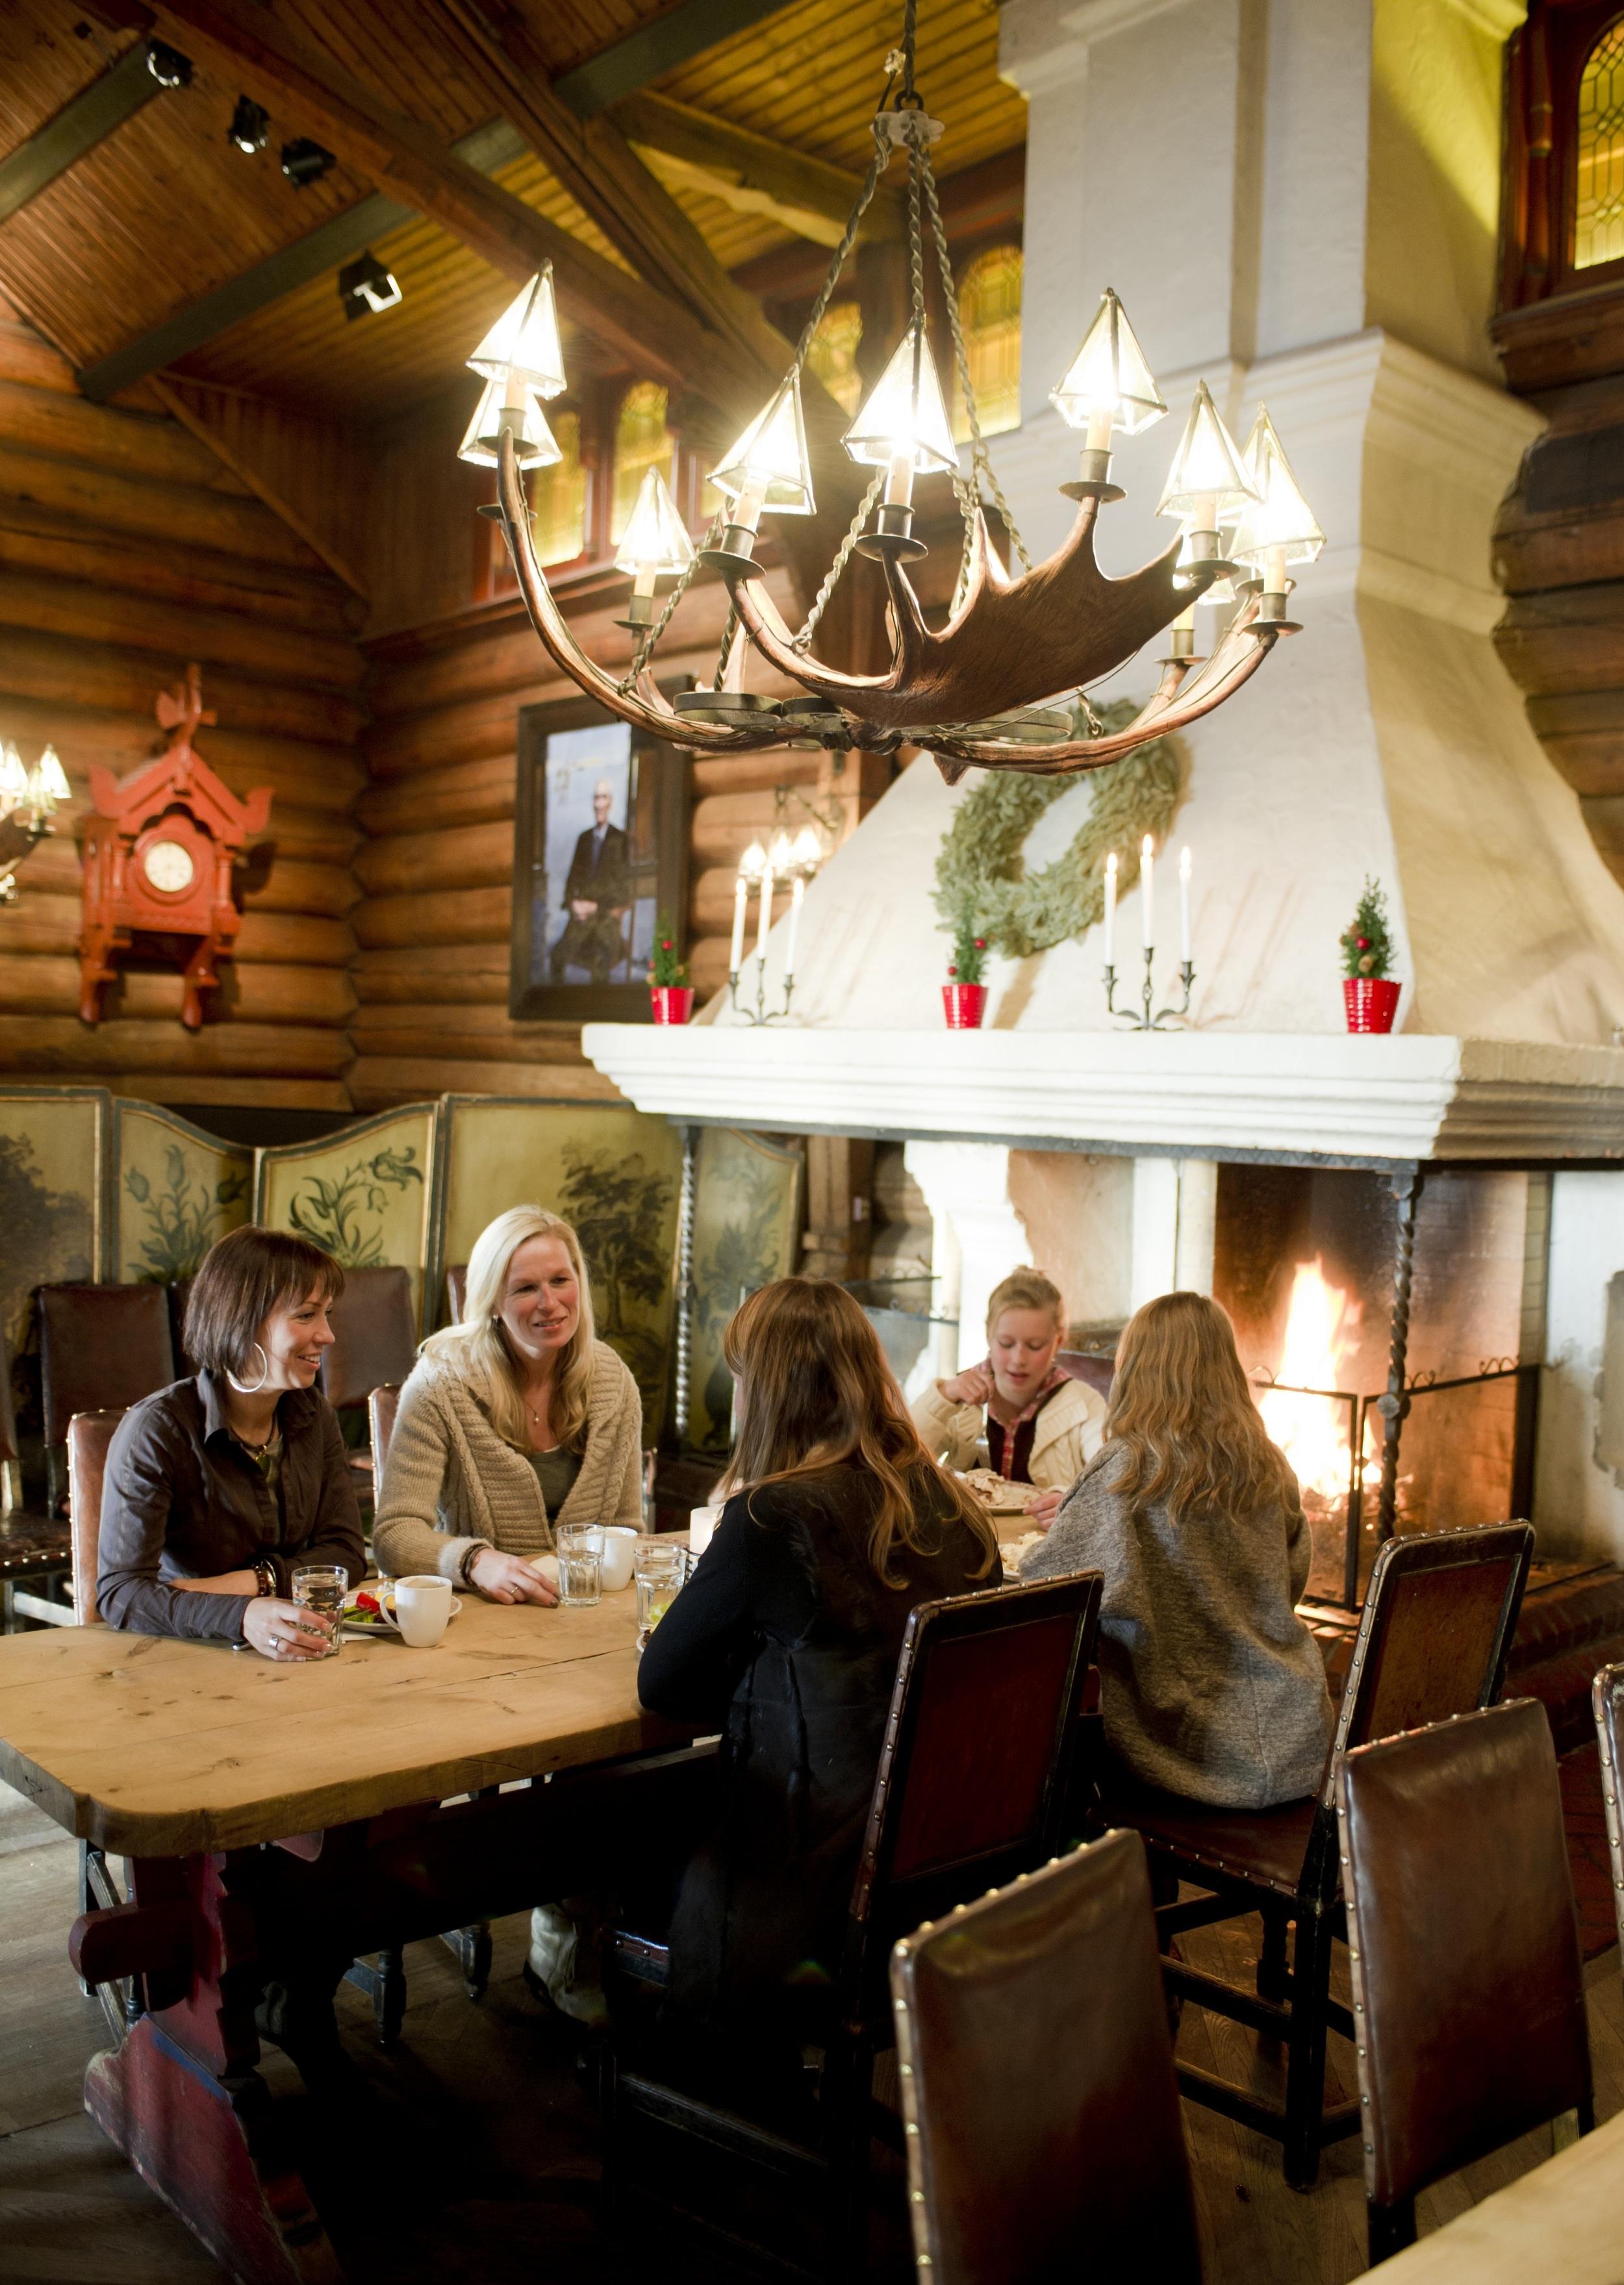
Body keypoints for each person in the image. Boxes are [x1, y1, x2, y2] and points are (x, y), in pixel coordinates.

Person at [637, 1277, 1001, 2099]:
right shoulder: (951, 1501)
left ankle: (691, 2078)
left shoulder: (775, 1515)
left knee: (618, 1823)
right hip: (951, 1872)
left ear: (766, 1394)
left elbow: (661, 1682)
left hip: (816, 1894)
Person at [372, 1203, 645, 2022]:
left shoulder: (612, 1380)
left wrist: (575, 1567)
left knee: (638, 1755)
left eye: (560, 1280)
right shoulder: (443, 1383)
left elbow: (628, 1522)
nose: (548, 1301)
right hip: (476, 1651)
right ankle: (568, 1946)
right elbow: (394, 1534)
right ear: (492, 1297)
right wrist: (472, 1558)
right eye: (524, 1286)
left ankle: (587, 1944)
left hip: (584, 1635)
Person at [1021, 1290, 1334, 1810]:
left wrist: (1080, 1514)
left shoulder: (1126, 1468)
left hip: (1187, 1753)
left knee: (1055, 1768)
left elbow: (1044, 1589)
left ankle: (1087, 1883)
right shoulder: (1269, 1462)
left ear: (1135, 1370)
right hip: (1300, 1741)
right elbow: (1293, 1577)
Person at [98, 1224, 364, 1659]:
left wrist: (255, 1584)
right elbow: (122, 1594)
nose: (328, 1335)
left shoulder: (314, 1415)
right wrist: (242, 1615)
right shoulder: (157, 1430)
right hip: (182, 1655)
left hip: (295, 1648)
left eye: (327, 1314)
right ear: (242, 1322)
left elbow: (347, 1554)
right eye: (306, 1315)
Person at [909, 1267, 1106, 1490]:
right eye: (1006, 1343)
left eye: (1035, 1346)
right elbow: (895, 1456)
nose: (1018, 1359)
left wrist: (1069, 1502)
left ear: (1059, 1341)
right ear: (988, 1335)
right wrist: (943, 1398)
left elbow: (1110, 1481)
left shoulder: (1085, 1405)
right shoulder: (957, 1400)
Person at [550, 776, 631, 983]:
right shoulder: (584, 839)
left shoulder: (620, 840)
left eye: (604, 798)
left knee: (599, 960)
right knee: (557, 956)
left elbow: (622, 888)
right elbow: (573, 878)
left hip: (605, 920)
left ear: (610, 802)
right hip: (580, 920)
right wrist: (573, 903)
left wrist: (595, 906)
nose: (599, 804)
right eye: (596, 798)